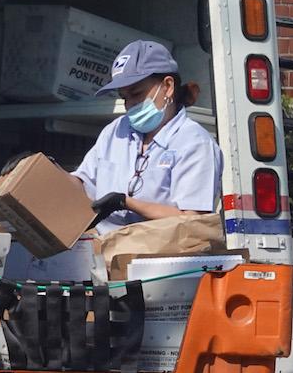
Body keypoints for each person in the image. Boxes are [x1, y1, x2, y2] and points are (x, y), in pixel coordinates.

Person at [73, 40, 223, 235]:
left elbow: (192, 221)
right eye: (124, 97)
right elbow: (82, 183)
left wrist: (126, 203)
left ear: (168, 86)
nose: (130, 105)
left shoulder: (195, 143)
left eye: (136, 93)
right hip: (105, 254)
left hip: (162, 258)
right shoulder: (115, 131)